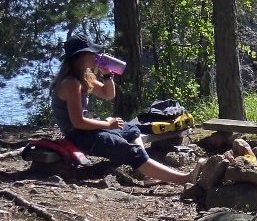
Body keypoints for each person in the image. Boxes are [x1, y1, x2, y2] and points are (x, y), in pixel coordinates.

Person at [51, 36, 194, 184]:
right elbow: (78, 122)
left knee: (131, 129)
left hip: (87, 131)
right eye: (92, 53)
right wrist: (107, 125)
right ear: (81, 56)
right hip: (79, 136)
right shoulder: (71, 83)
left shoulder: (84, 77)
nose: (96, 56)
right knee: (129, 150)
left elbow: (108, 95)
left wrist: (106, 74)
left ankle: (145, 171)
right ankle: (184, 179)